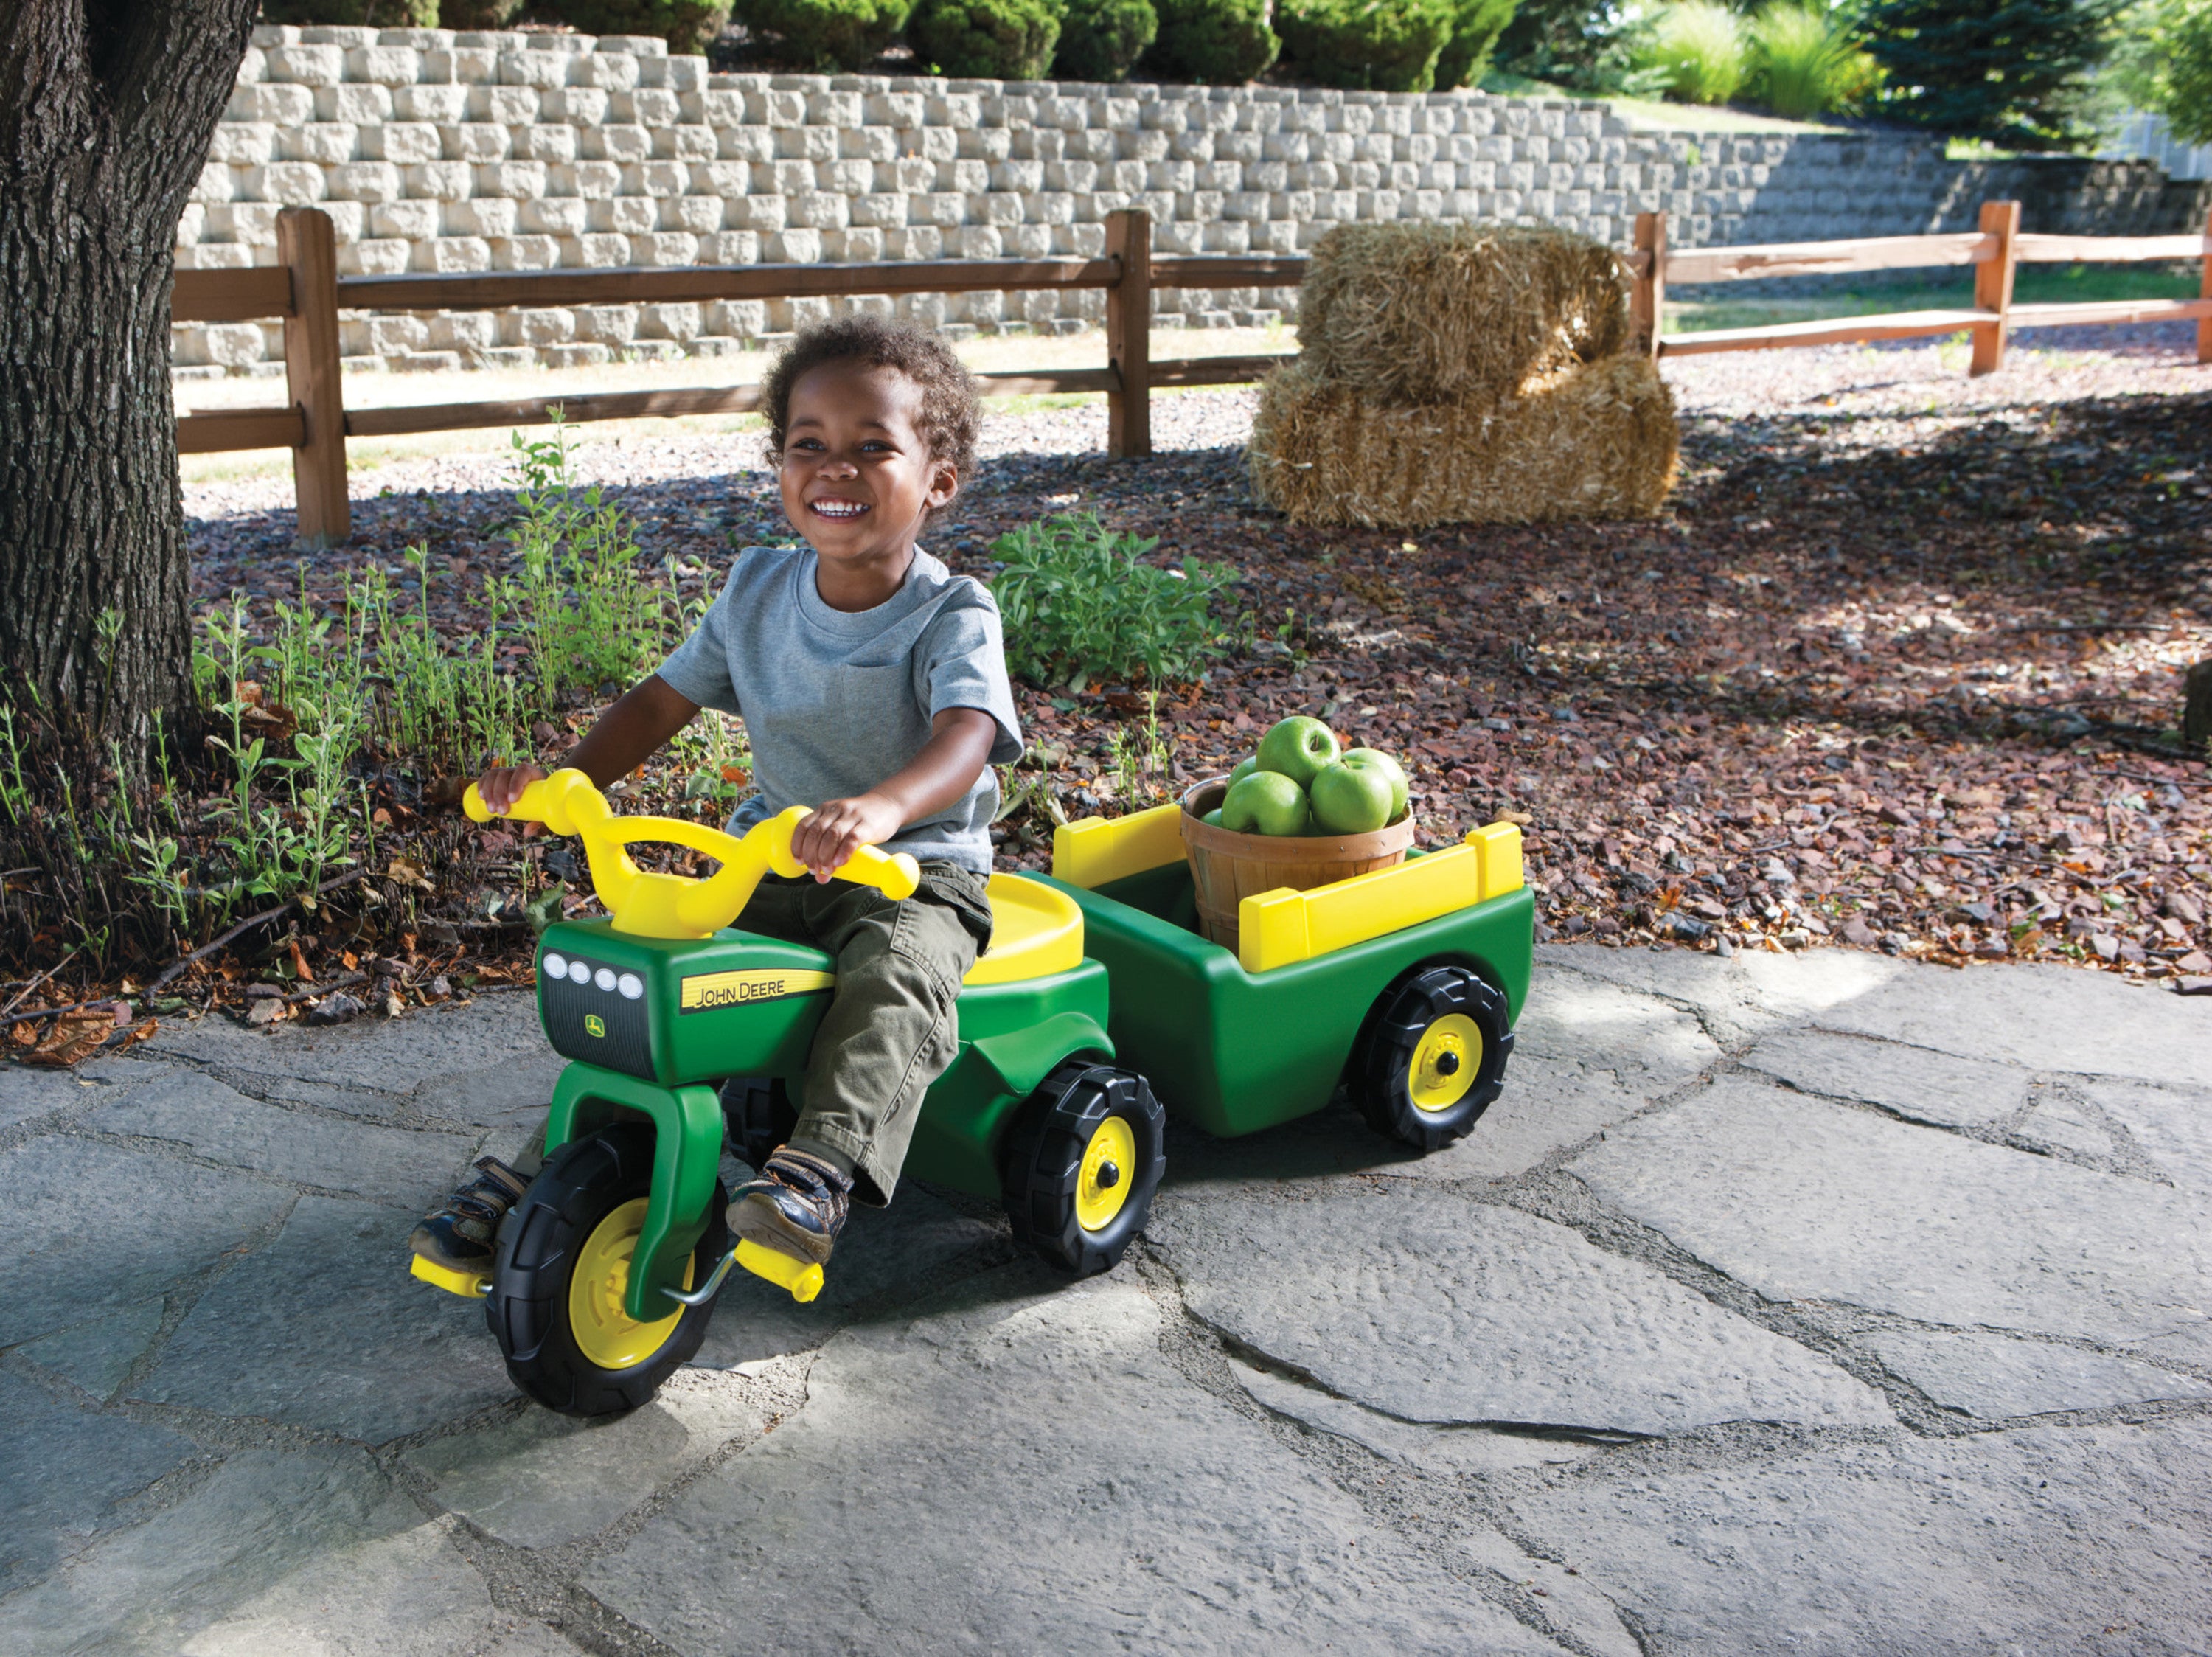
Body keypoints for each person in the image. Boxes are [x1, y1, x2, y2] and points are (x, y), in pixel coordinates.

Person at [409, 315, 1020, 1279]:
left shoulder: (953, 613)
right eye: (808, 445)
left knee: (895, 981)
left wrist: (884, 809)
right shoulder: (756, 591)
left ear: (938, 481)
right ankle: (551, 1166)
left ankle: (816, 1176)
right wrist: (565, 784)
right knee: (658, 986)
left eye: (874, 448)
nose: (836, 469)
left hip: (911, 870)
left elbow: (967, 737)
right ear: (779, 465)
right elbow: (660, 701)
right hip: (770, 861)